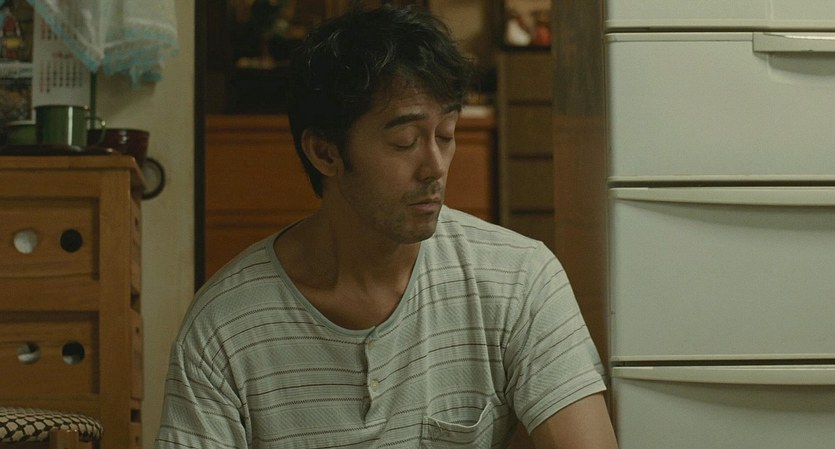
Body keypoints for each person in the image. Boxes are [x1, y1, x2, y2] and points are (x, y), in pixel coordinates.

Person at [155, 5, 618, 449]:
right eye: (405, 141)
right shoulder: (224, 328)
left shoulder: (518, 279)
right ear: (325, 153)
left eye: (446, 135)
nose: (435, 167)